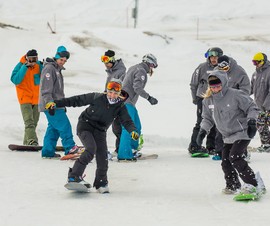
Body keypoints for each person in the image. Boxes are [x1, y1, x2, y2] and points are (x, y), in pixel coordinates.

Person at [54, 79, 139, 193]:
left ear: (119, 93)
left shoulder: (120, 106)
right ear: (106, 90)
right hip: (85, 126)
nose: (112, 95)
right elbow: (76, 100)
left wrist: (133, 131)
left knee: (103, 157)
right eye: (110, 92)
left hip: (100, 131)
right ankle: (74, 176)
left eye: (115, 93)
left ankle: (101, 183)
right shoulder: (97, 97)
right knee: (91, 149)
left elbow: (127, 121)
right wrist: (57, 103)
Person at [197, 70, 265, 195]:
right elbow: (207, 118)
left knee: (235, 157)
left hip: (242, 132)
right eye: (212, 86)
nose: (215, 88)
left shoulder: (235, 95)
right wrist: (202, 131)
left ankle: (254, 184)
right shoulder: (208, 101)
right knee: (225, 161)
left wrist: (251, 121)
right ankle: (233, 185)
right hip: (227, 136)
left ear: (223, 83)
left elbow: (252, 107)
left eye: (218, 85)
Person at [39, 46, 83, 158]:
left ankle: (47, 152)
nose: (63, 62)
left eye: (65, 61)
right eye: (61, 59)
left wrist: (62, 105)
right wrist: (49, 103)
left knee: (53, 129)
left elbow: (58, 91)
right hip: (51, 105)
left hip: (57, 105)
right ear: (56, 57)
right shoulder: (49, 69)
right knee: (65, 126)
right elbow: (46, 89)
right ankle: (70, 148)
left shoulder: (57, 69)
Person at [117, 53, 158, 161]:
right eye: (153, 66)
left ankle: (132, 149)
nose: (152, 69)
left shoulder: (133, 67)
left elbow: (122, 80)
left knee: (136, 127)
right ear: (149, 63)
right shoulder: (141, 71)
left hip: (127, 103)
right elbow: (137, 88)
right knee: (128, 128)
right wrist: (149, 98)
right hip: (127, 103)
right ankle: (124, 154)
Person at [213, 55, 251, 160]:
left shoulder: (239, 71)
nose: (224, 71)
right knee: (220, 128)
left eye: (225, 68)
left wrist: (237, 98)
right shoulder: (216, 72)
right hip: (221, 103)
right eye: (221, 69)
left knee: (238, 128)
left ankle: (243, 153)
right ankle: (220, 152)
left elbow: (246, 88)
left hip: (236, 104)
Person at [189, 47, 223, 155]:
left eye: (216, 57)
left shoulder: (223, 68)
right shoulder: (202, 67)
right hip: (203, 98)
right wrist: (195, 98)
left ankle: (211, 146)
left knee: (215, 122)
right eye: (211, 57)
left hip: (217, 99)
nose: (213, 59)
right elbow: (193, 84)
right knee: (201, 121)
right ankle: (194, 146)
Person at [11, 49, 43, 146]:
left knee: (34, 123)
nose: (33, 61)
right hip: (24, 98)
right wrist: (25, 67)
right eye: (31, 59)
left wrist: (44, 66)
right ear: (27, 58)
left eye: (35, 59)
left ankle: (26, 143)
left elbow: (44, 79)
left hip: (36, 99)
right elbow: (15, 80)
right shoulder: (20, 65)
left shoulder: (38, 65)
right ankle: (32, 141)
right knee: (29, 122)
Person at [101, 50, 126, 155]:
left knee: (118, 127)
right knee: (113, 127)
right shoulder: (111, 72)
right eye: (104, 63)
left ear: (112, 60)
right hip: (109, 102)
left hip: (117, 103)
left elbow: (122, 88)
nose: (106, 65)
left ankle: (121, 149)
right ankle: (117, 148)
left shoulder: (121, 72)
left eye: (107, 62)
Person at [250, 52, 270, 152]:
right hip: (259, 107)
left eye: (257, 62)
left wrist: (266, 106)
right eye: (254, 62)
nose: (256, 64)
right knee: (261, 125)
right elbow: (250, 89)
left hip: (268, 106)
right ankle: (266, 145)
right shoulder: (255, 74)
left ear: (263, 61)